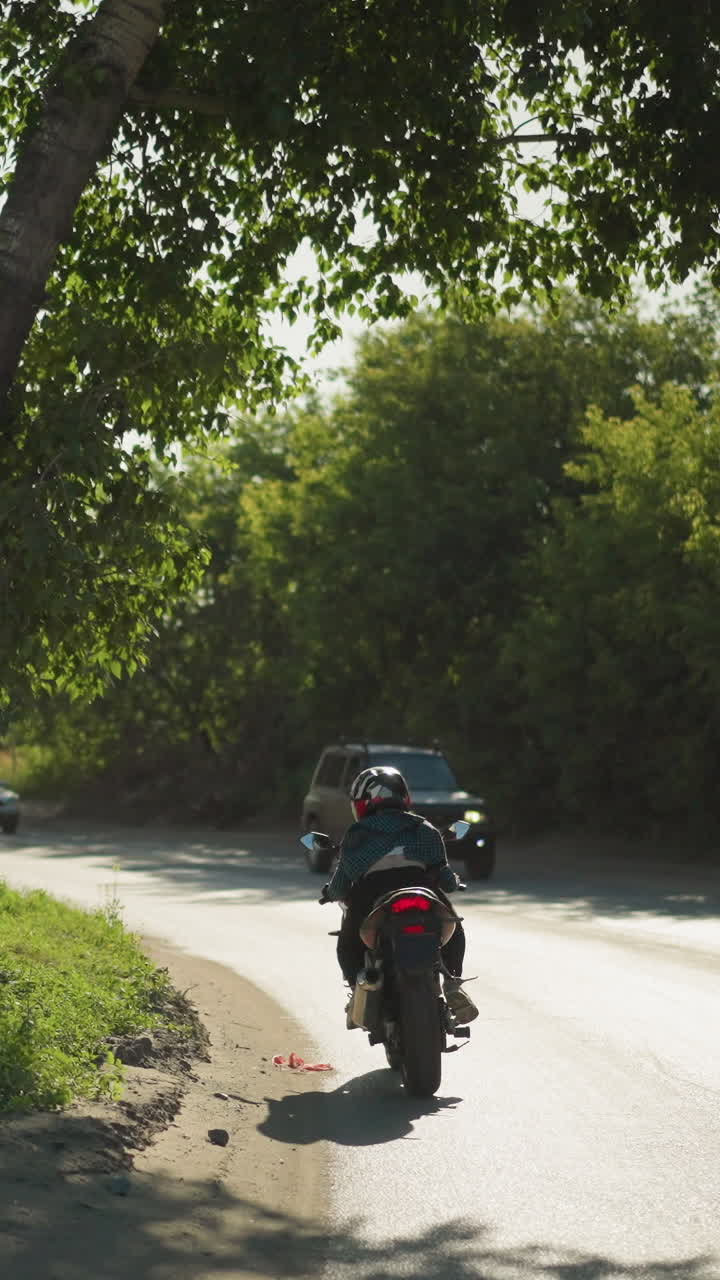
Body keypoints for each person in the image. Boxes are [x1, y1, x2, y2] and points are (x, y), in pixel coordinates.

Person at [322, 765, 478, 1025]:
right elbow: (445, 878)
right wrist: (454, 883)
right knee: (454, 926)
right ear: (403, 797)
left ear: (362, 802)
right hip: (420, 886)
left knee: (348, 943)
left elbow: (340, 886)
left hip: (371, 893)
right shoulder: (424, 828)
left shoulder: (357, 835)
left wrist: (329, 893)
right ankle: (452, 983)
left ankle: (356, 995)